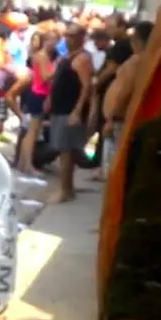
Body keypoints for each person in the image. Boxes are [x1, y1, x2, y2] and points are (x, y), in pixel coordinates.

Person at [44, 24, 94, 203]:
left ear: (81, 37)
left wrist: (77, 110)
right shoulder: (67, 57)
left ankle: (65, 190)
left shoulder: (82, 59)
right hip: (60, 108)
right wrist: (49, 97)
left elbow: (87, 86)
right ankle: (68, 188)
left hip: (69, 109)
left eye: (71, 36)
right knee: (64, 149)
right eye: (66, 35)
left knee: (66, 151)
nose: (67, 39)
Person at [101, 20, 154, 178]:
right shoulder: (146, 59)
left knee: (114, 165)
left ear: (137, 40)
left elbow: (126, 91)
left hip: (120, 119)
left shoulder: (136, 62)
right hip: (124, 118)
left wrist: (112, 119)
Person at [11, 32, 57, 174]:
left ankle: (23, 163)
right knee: (32, 132)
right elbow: (45, 77)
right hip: (38, 94)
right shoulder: (42, 56)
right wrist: (58, 69)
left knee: (32, 131)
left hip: (40, 94)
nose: (53, 44)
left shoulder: (43, 56)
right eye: (51, 40)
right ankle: (28, 164)